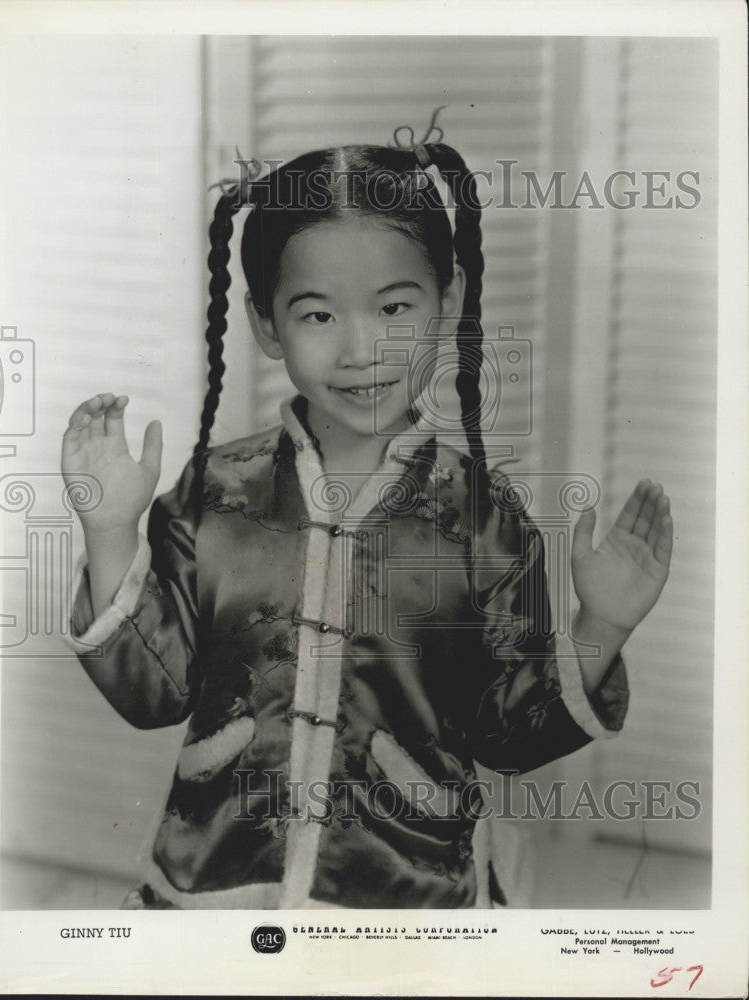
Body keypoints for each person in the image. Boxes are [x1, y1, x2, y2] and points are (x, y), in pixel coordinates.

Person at [61, 132, 673, 909]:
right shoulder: (216, 491)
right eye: (317, 314)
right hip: (218, 882)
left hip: (408, 892)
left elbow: (508, 735)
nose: (359, 349)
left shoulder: (481, 520)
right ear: (265, 323)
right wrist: (111, 532)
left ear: (446, 298)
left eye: (393, 306)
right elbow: (153, 696)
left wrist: (601, 627)